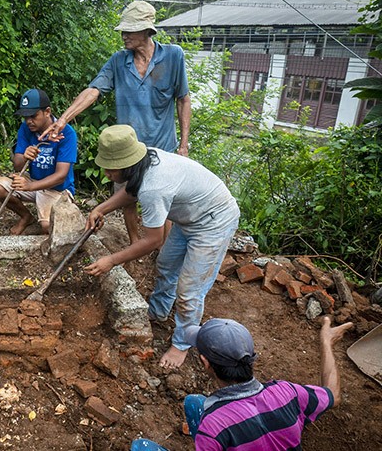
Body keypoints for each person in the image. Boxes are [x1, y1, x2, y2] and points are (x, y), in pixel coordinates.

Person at [83, 125, 239, 369]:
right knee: (166, 264)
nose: (106, 173)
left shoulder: (154, 188)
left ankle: (182, 344)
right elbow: (131, 192)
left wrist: (111, 260)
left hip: (213, 221)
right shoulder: (145, 160)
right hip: (190, 218)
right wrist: (100, 208)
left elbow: (153, 240)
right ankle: (157, 311)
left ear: (127, 164)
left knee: (189, 290)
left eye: (111, 168)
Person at [42, 1, 191, 245]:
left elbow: (183, 99)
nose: (124, 36)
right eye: (123, 30)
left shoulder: (173, 56)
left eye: (129, 30)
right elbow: (93, 91)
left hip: (163, 147)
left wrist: (184, 145)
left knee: (164, 201)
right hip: (126, 148)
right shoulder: (118, 61)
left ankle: (161, 250)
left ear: (147, 30)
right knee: (125, 197)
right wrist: (63, 120)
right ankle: (134, 243)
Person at [131, 316, 353, 450]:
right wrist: (326, 341)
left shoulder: (214, 425)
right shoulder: (287, 392)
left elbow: (216, 426)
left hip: (218, 433)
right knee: (194, 402)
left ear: (205, 363)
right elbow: (333, 394)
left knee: (140, 447)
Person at [0, 89, 77, 234]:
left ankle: (55, 215)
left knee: (47, 227)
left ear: (47, 112)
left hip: (57, 189)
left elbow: (61, 176)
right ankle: (26, 217)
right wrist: (24, 157)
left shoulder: (67, 133)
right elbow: (17, 165)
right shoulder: (26, 128)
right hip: (33, 180)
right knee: (0, 187)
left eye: (33, 116)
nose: (29, 121)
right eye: (25, 117)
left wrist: (30, 186)